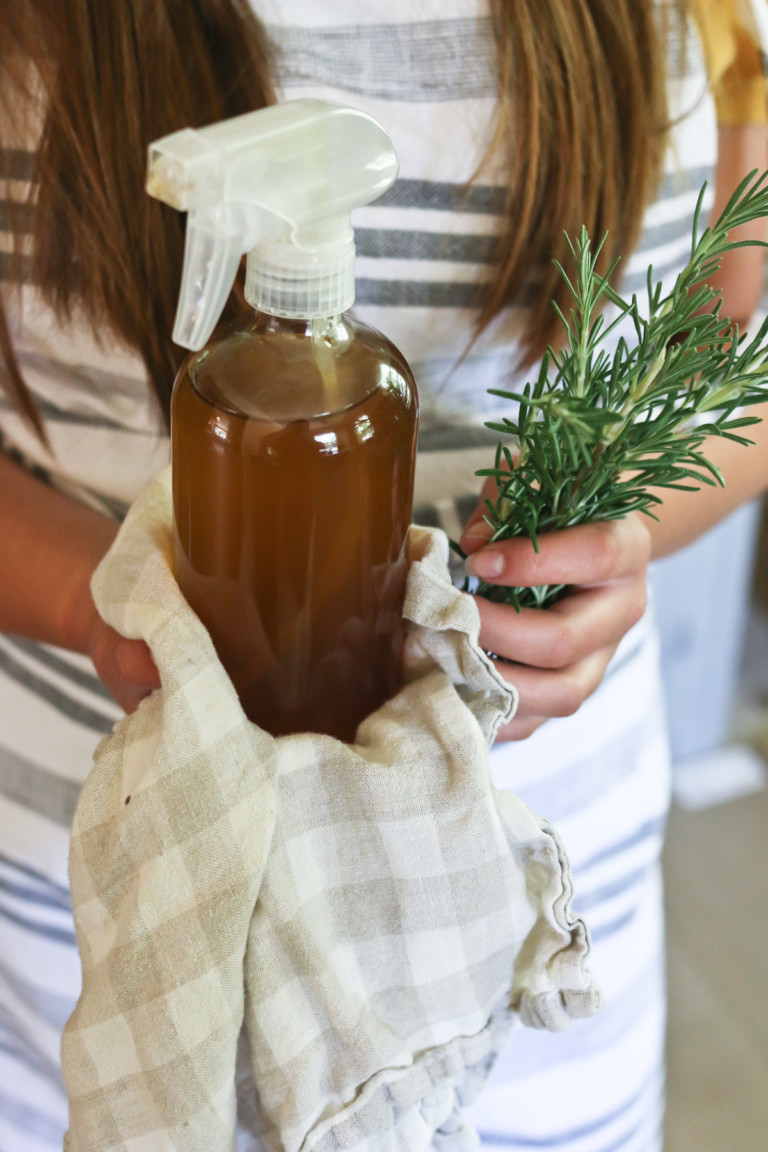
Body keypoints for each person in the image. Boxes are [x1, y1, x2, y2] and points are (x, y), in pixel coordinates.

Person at [0, 2, 767, 1150]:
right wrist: (94, 598)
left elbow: (738, 336)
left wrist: (628, 513)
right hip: (104, 902)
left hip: (507, 902)